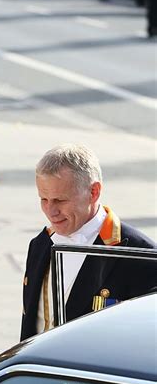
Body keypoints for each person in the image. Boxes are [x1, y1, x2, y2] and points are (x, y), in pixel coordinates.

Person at [21, 144, 156, 341]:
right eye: (44, 199)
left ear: (93, 192)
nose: (50, 211)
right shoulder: (40, 244)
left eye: (60, 200)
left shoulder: (141, 255)